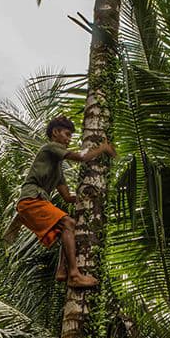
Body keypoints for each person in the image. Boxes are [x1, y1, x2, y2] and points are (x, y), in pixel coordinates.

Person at [12, 115, 115, 288]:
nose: (68, 140)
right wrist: (102, 148)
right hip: (31, 199)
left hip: (34, 201)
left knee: (65, 230)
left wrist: (90, 193)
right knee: (69, 223)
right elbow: (81, 157)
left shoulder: (57, 167)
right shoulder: (50, 148)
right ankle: (74, 275)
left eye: (70, 137)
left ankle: (62, 271)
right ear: (55, 132)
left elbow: (68, 197)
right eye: (67, 135)